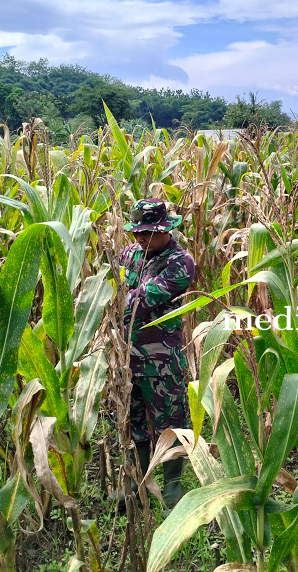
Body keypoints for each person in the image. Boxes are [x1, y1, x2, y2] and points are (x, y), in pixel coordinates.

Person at [118, 198, 195, 508]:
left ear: (166, 230)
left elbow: (143, 297)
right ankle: (136, 481)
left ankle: (173, 482)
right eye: (137, 232)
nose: (140, 238)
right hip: (127, 359)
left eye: (148, 232)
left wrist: (106, 299)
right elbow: (112, 276)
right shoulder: (131, 253)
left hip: (162, 359)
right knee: (130, 421)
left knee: (171, 421)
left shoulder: (180, 262)